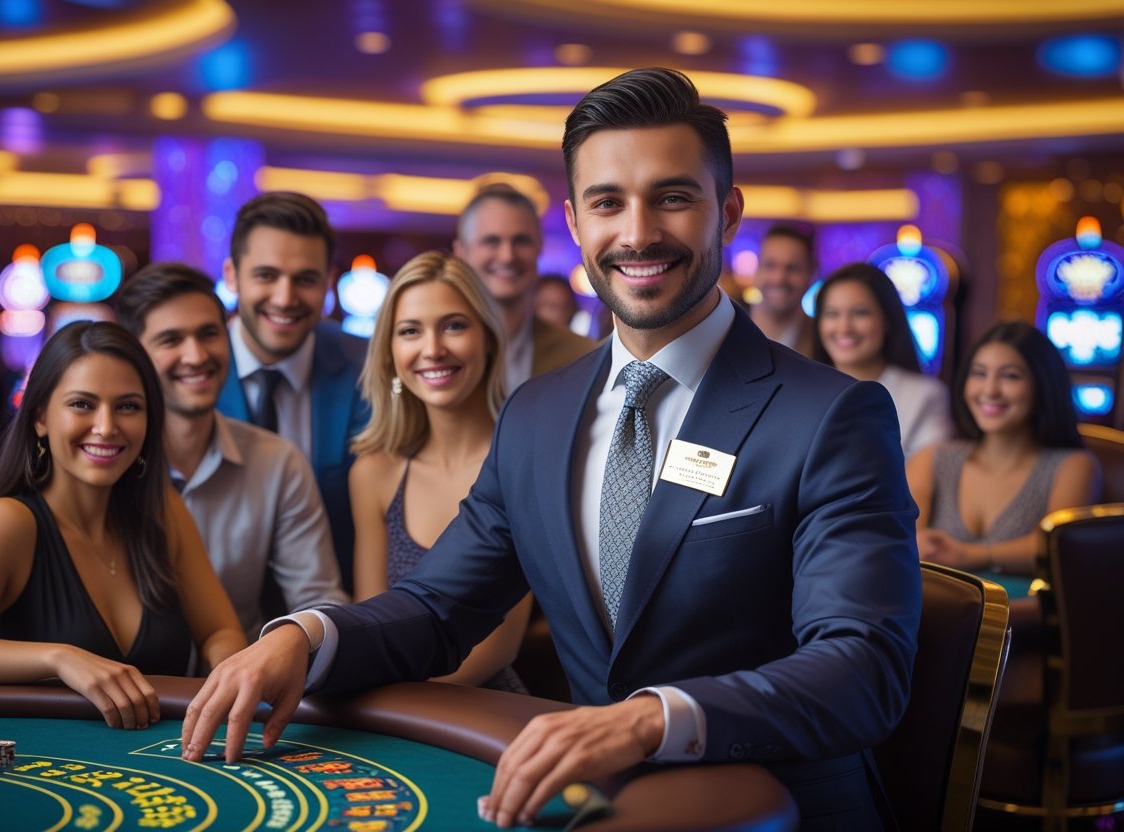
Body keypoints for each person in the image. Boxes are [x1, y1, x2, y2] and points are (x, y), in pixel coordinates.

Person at [181, 68, 920, 831]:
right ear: (573, 221)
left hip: (781, 811)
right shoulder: (537, 414)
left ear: (727, 213)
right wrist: (305, 636)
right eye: (607, 202)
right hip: (595, 807)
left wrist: (647, 720)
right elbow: (439, 609)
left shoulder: (833, 414)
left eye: (672, 196)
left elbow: (864, 667)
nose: (636, 233)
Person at [0, 322, 246, 728]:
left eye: (128, 406)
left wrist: (229, 680)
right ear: (39, 418)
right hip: (47, 766)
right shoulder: (6, 522)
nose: (106, 427)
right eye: (82, 404)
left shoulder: (164, 511)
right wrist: (61, 658)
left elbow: (219, 629)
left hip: (166, 758)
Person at [116, 263, 348, 640]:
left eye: (209, 334)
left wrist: (283, 650)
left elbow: (320, 600)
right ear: (133, 357)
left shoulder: (277, 462)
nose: (196, 355)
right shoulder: (105, 460)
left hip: (240, 682)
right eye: (171, 340)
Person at [349, 250, 532, 692]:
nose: (432, 349)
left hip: (485, 711)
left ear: (487, 339)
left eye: (454, 325)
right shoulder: (373, 470)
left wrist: (397, 701)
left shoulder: (525, 460)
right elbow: (371, 625)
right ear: (390, 354)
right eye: (410, 331)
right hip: (387, 703)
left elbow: (497, 647)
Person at [215, 191, 369, 594]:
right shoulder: (185, 371)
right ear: (232, 275)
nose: (285, 298)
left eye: (305, 279)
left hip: (338, 619)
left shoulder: (370, 369)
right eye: (266, 275)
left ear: (329, 282)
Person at [907, 321, 1100, 598]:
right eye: (979, 374)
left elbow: (1056, 549)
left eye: (1010, 376)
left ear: (1042, 385)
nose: (990, 390)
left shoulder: (1073, 465)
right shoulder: (933, 459)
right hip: (935, 617)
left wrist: (972, 555)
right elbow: (907, 546)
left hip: (1026, 626)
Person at [453, 186, 595, 393]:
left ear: (539, 248)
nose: (507, 256)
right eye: (491, 241)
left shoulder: (584, 357)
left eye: (521, 241)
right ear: (461, 252)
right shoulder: (436, 351)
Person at [813, 262, 953, 457]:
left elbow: (924, 481)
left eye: (860, 313)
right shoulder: (802, 391)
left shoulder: (925, 396)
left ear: (887, 320)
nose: (844, 328)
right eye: (832, 314)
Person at [749, 224, 816, 357]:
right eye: (770, 265)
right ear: (756, 270)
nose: (779, 279)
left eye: (792, 268)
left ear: (811, 274)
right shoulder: (725, 329)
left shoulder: (824, 341)